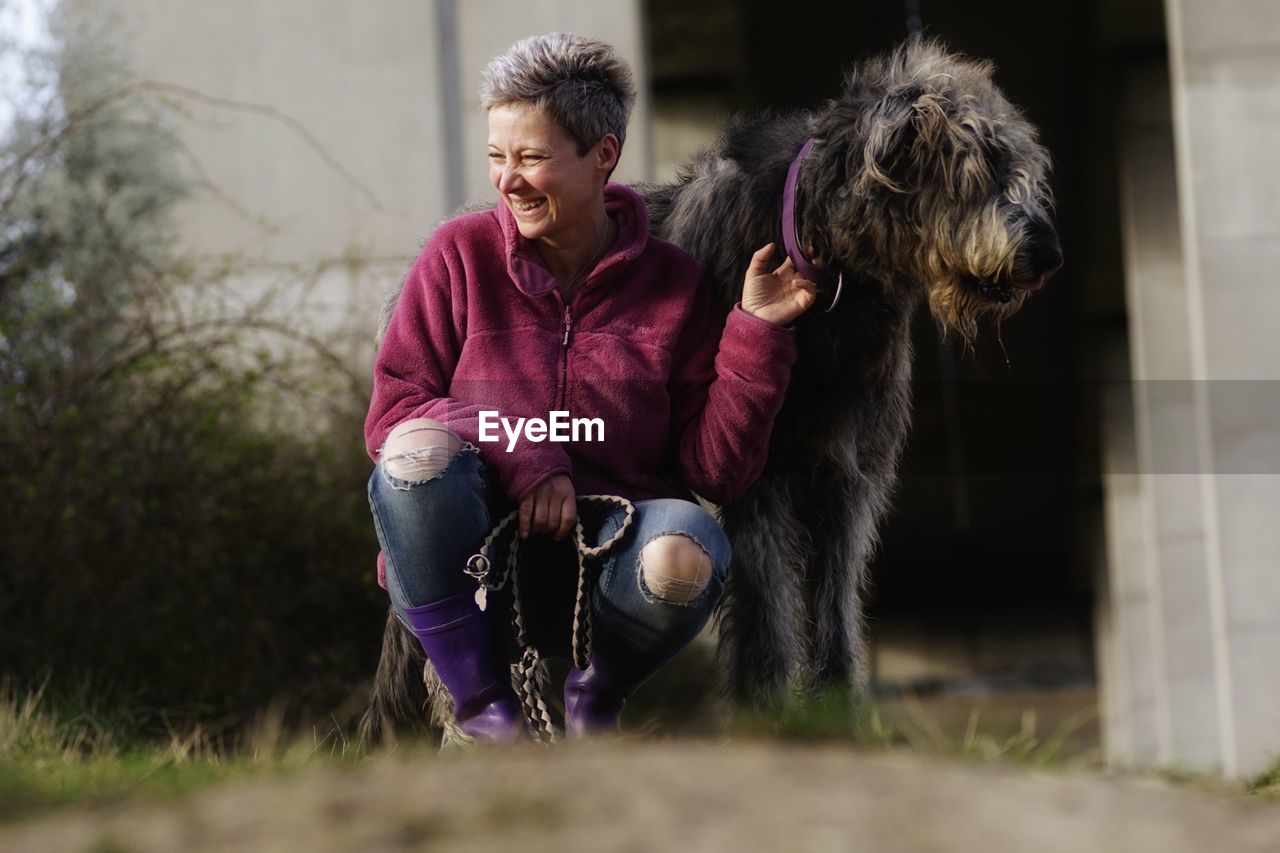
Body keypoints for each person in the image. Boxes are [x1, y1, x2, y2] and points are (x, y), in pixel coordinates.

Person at [365, 32, 817, 742]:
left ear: (603, 155)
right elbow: (396, 406)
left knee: (688, 549)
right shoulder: (457, 257)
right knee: (413, 455)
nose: (507, 180)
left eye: (532, 158)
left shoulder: (674, 283)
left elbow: (717, 471)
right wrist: (530, 460)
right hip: (483, 555)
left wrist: (758, 332)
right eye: (497, 157)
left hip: (613, 560)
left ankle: (596, 698)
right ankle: (485, 708)